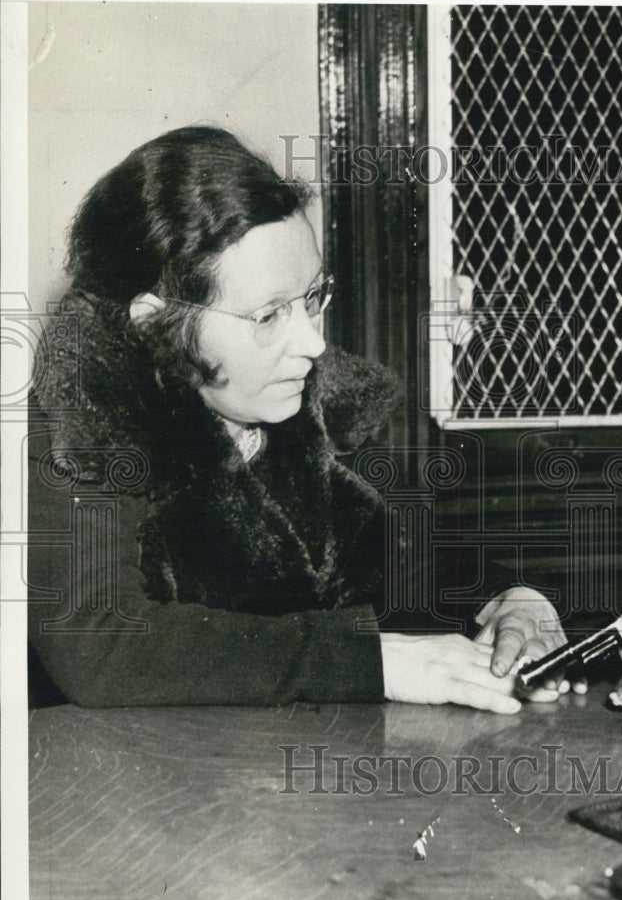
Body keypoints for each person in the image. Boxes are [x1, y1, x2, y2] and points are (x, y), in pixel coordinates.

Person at [28, 125, 569, 713]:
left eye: (313, 298)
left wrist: (508, 598)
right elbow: (101, 646)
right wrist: (373, 661)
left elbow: (399, 553)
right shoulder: (76, 426)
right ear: (153, 323)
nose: (313, 343)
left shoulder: (316, 402)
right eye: (268, 316)